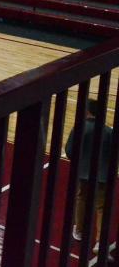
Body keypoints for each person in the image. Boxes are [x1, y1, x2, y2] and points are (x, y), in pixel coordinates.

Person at [65, 98, 114, 249]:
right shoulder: (108, 131)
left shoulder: (79, 128)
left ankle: (79, 230)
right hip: (103, 174)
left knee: (82, 199)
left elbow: (69, 151)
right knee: (101, 207)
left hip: (84, 172)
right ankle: (100, 241)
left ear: (87, 111)